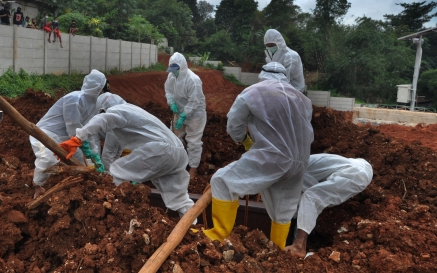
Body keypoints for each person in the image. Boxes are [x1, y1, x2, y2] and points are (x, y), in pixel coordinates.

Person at [202, 62, 314, 250]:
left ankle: (218, 236)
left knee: (222, 181)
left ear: (262, 75)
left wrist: (244, 139)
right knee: (283, 208)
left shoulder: (252, 92)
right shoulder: (302, 99)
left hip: (273, 156)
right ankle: (277, 249)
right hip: (301, 160)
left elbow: (233, 125)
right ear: (285, 77)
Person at [61, 92, 195, 219]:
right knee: (179, 197)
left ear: (103, 109)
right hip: (179, 153)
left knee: (118, 172)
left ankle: (116, 212)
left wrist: (78, 138)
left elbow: (103, 119)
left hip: (160, 151)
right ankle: (192, 228)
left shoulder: (119, 110)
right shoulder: (134, 111)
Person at [30, 70, 107, 199]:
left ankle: (82, 193)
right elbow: (73, 127)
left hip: (68, 140)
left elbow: (89, 130)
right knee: (48, 159)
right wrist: (86, 148)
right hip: (44, 135)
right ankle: (37, 187)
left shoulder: (94, 105)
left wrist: (94, 155)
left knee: (81, 165)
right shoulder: (74, 99)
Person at [284, 154, 373, 258]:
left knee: (311, 196)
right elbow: (304, 208)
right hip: (359, 169)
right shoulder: (294, 167)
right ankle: (299, 246)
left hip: (356, 172)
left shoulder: (291, 171)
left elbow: (309, 200)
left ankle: (299, 246)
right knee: (310, 198)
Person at [165, 52, 206, 180]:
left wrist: (184, 115)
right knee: (173, 137)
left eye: (176, 69)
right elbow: (168, 90)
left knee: (193, 141)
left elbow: (194, 101)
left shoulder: (193, 80)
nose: (174, 72)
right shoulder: (172, 76)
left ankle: (193, 168)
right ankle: (177, 163)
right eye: (172, 69)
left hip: (195, 114)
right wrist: (171, 102)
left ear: (182, 67)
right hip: (178, 111)